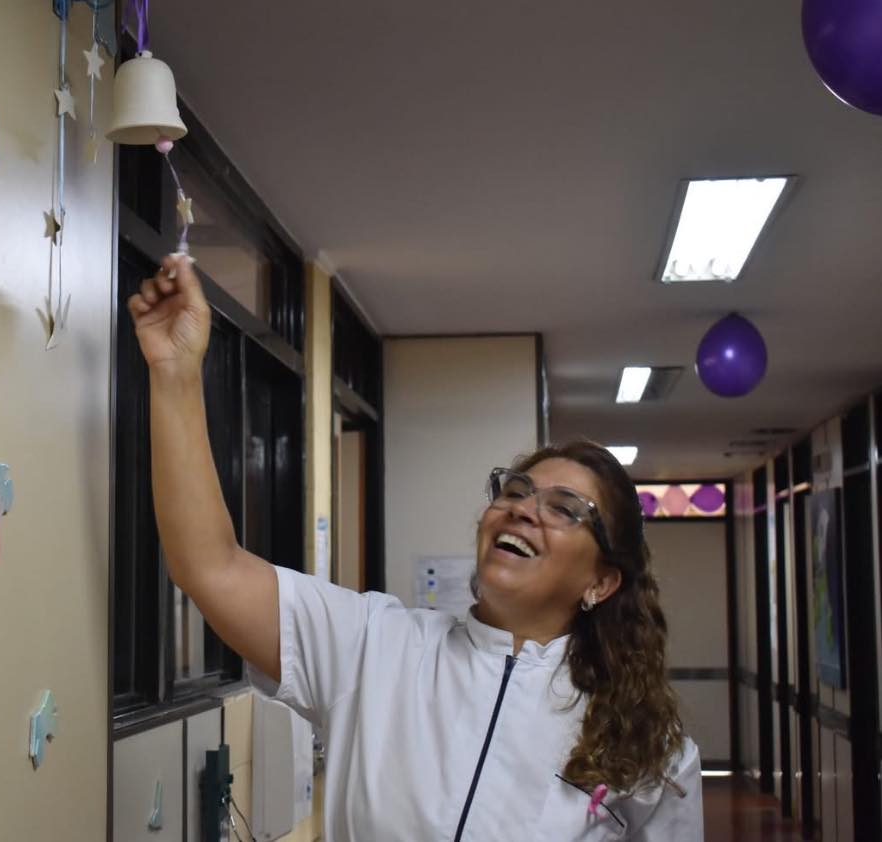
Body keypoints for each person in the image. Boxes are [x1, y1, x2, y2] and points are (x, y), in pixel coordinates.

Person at [128, 254, 704, 841]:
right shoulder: (374, 647)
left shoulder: (645, 743)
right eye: (516, 490)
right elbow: (209, 565)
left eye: (564, 510)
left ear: (602, 582)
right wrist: (174, 374)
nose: (524, 508)